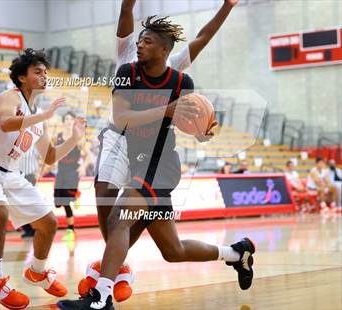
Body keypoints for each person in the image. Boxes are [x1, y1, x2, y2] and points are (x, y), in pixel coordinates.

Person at [58, 15, 255, 310]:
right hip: (137, 162)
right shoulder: (127, 72)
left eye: (147, 41)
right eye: (139, 40)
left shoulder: (180, 81)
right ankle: (237, 253)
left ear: (164, 50)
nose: (139, 45)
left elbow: (189, 123)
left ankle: (101, 298)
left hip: (160, 164)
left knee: (118, 220)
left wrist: (202, 132)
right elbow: (122, 118)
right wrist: (167, 109)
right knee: (172, 250)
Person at [0, 48, 87, 309]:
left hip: (12, 173)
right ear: (22, 77)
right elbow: (8, 123)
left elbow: (50, 156)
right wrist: (43, 116)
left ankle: (37, 271)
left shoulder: (39, 117)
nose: (44, 77)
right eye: (37, 72)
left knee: (49, 222)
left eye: (45, 73)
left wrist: (75, 139)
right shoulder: (10, 96)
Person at [54, 111, 92, 242]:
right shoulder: (57, 137)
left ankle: (70, 229)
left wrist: (83, 166)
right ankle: (76, 195)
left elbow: (89, 157)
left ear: (74, 122)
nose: (69, 121)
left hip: (72, 171)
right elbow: (52, 153)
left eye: (71, 119)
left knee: (65, 201)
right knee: (58, 203)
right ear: (63, 122)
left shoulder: (78, 138)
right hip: (61, 171)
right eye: (67, 119)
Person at [18, 147, 42, 238]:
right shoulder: (17, 144)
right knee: (20, 204)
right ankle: (28, 229)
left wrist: (39, 173)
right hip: (19, 176)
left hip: (31, 176)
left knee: (30, 203)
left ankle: (36, 227)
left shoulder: (34, 145)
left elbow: (43, 158)